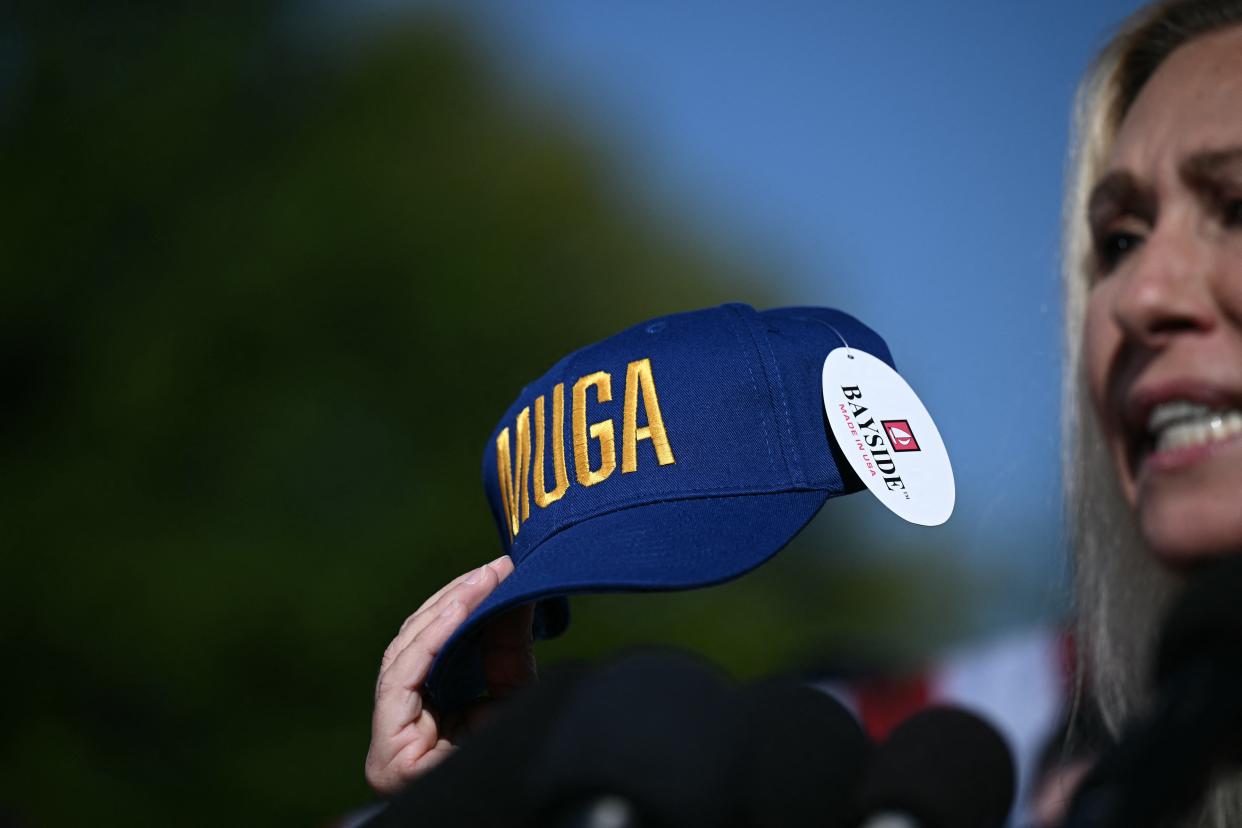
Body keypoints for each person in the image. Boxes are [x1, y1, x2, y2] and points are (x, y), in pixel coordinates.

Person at [368, 1, 1242, 823]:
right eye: (1120, 241)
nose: (1142, 295)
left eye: (1236, 209)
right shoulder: (1117, 776)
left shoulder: (1024, 744)